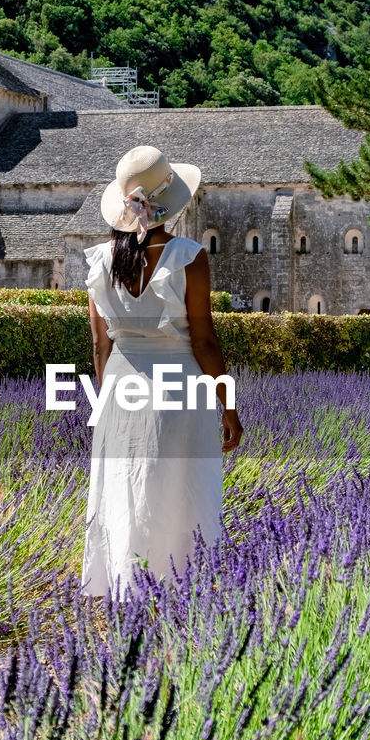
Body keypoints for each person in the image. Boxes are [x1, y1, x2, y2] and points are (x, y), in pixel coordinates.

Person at [81, 144, 244, 598]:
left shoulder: (98, 263)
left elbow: (100, 343)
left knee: (125, 491)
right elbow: (205, 340)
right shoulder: (188, 257)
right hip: (178, 388)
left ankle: (125, 587)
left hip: (119, 387)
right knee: (179, 490)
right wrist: (228, 407)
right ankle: (179, 590)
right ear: (169, 203)